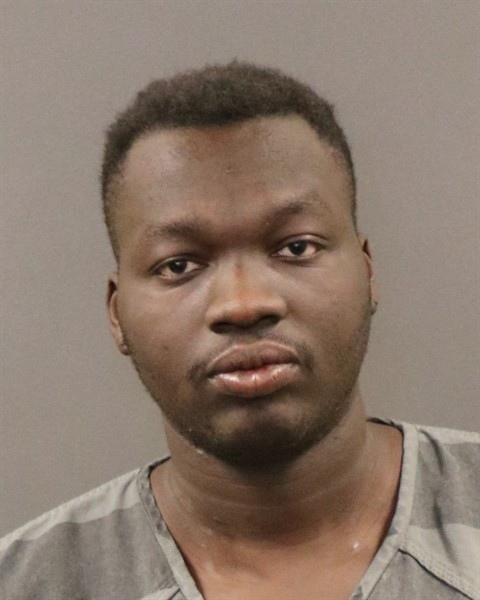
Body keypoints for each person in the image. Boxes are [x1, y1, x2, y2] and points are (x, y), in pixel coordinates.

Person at [1, 62, 478, 600]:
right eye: (179, 265)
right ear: (117, 314)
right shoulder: (27, 582)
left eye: (296, 247)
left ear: (367, 272)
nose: (244, 303)